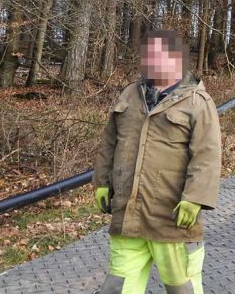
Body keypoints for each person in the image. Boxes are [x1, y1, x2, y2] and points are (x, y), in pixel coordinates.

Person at [93, 30, 222, 294]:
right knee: (117, 288)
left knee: (181, 289)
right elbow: (109, 142)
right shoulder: (130, 94)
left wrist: (196, 197)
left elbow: (207, 155)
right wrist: (102, 182)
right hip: (128, 216)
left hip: (171, 219)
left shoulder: (197, 102)